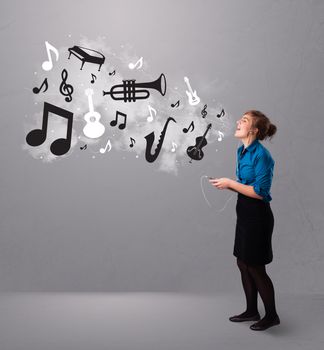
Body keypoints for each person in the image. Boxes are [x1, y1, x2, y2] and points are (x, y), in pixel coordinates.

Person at [209, 110, 280, 331]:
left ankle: (271, 316)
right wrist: (227, 184)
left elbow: (260, 192)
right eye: (240, 118)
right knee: (242, 262)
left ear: (254, 130)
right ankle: (251, 310)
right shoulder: (241, 150)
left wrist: (230, 183)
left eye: (245, 121)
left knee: (256, 267)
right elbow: (245, 187)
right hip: (245, 213)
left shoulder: (263, 155)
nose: (239, 122)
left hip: (258, 216)